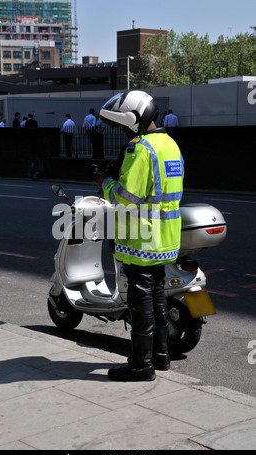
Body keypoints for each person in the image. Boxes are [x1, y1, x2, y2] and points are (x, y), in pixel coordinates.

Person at [96, 91, 184, 382]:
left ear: (135, 121)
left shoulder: (141, 149)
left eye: (124, 126)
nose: (123, 131)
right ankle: (161, 357)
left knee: (140, 300)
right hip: (165, 238)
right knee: (158, 295)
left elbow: (126, 197)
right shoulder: (170, 145)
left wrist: (106, 183)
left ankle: (140, 365)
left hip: (140, 239)